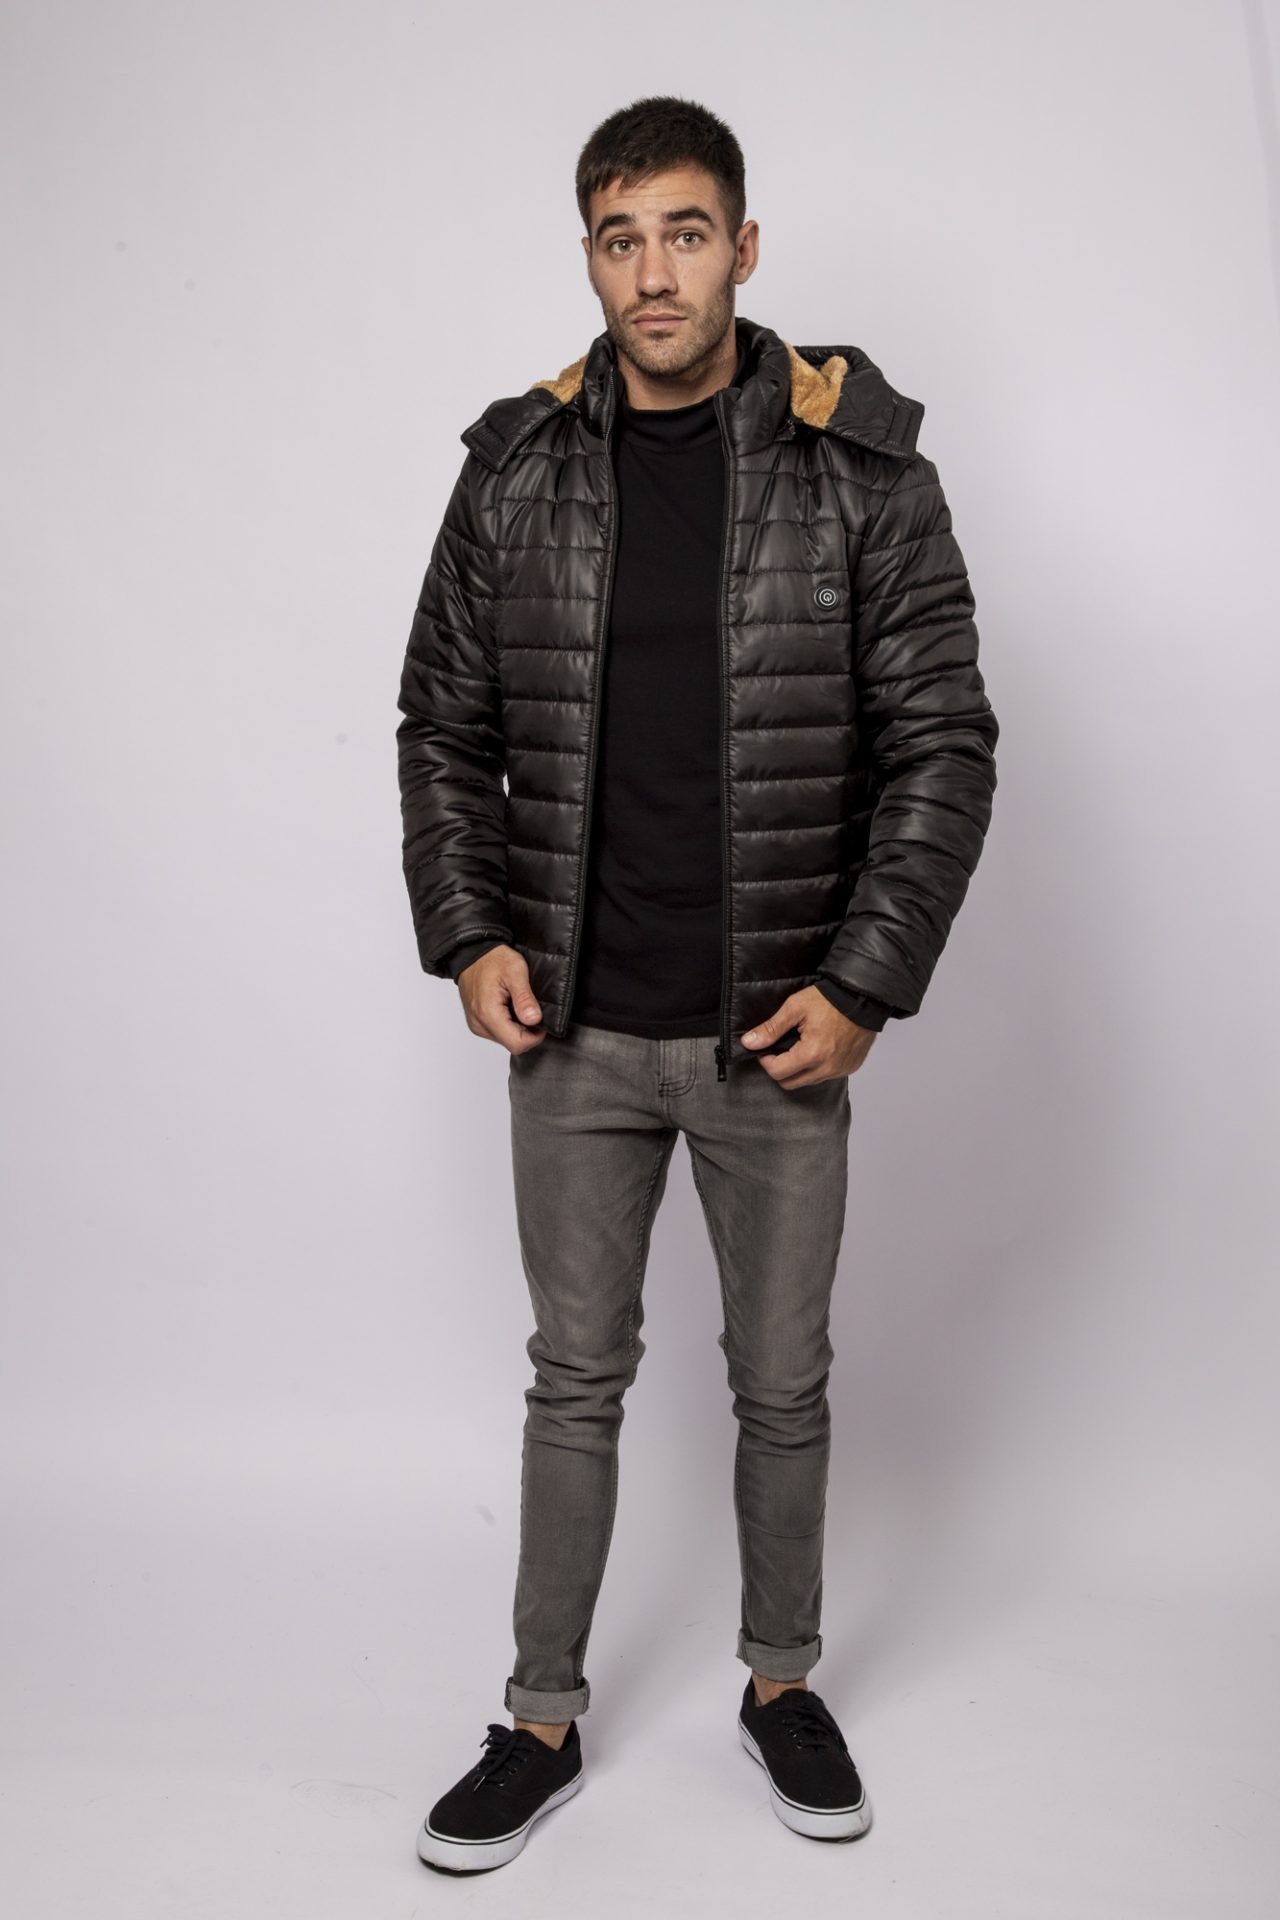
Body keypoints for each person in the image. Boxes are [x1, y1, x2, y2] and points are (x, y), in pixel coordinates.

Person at [397, 94, 999, 1872]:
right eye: (619, 238)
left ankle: (780, 1684)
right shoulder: (515, 469)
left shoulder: (863, 474)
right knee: (572, 1379)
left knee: (783, 1385)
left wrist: (865, 986)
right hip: (572, 1028)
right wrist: (472, 932)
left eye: (682, 232)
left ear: (742, 246)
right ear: (588, 260)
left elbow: (945, 745)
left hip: (776, 1034)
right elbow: (441, 725)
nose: (652, 272)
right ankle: (539, 1719)